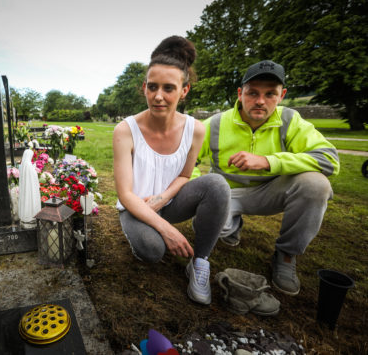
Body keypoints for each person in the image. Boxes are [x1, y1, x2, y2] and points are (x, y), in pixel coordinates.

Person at [197, 60, 339, 296]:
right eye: (253, 93)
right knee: (205, 227)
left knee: (316, 184)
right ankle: (231, 224)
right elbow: (186, 161)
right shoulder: (215, 123)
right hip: (227, 193)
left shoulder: (290, 121)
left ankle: (286, 255)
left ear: (281, 95)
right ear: (240, 93)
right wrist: (202, 188)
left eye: (270, 94)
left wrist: (268, 161)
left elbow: (329, 159)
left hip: (272, 191)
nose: (260, 101)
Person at [113, 36, 231, 305]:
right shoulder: (125, 130)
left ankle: (199, 262)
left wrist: (163, 199)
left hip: (170, 201)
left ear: (184, 90)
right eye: (152, 87)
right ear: (143, 87)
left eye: (169, 88)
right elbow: (125, 194)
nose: (158, 96)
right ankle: (144, 235)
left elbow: (185, 176)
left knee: (217, 185)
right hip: (136, 207)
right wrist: (167, 230)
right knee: (153, 250)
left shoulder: (195, 129)